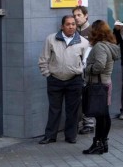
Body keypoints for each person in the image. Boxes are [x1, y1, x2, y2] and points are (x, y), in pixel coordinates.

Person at [38, 15, 89, 145]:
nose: (71, 26)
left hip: (74, 80)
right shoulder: (51, 39)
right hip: (55, 79)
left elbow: (86, 62)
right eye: (68, 24)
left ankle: (71, 136)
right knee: (54, 109)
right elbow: (44, 58)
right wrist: (47, 74)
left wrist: (80, 74)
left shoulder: (83, 42)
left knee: (72, 110)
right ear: (62, 26)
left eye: (73, 24)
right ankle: (50, 136)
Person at [82, 20, 120, 155]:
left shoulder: (99, 47)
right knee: (104, 115)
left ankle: (98, 143)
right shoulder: (109, 45)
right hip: (105, 83)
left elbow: (99, 65)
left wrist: (87, 68)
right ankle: (103, 142)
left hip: (99, 85)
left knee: (100, 116)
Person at [72, 6, 95, 135]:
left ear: (86, 15)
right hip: (75, 68)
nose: (76, 18)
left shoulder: (92, 30)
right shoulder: (73, 30)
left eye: (79, 15)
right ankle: (79, 122)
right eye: (75, 15)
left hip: (88, 68)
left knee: (88, 96)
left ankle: (89, 123)